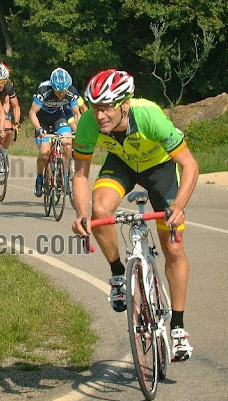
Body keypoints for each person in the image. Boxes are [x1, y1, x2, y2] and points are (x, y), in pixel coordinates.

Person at [71, 69, 199, 362]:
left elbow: (190, 166)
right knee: (99, 209)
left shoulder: (149, 116)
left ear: (124, 104)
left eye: (106, 107)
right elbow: (80, 174)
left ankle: (178, 328)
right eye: (95, 107)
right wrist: (80, 214)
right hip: (123, 164)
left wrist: (177, 207)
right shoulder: (89, 123)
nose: (100, 115)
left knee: (174, 248)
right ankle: (118, 274)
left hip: (160, 169)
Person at [29, 67, 86, 197]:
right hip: (42, 120)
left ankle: (65, 176)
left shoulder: (71, 91)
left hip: (58, 118)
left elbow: (77, 113)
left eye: (63, 92)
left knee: (67, 144)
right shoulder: (44, 90)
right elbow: (32, 113)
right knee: (44, 154)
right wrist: (39, 129)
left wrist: (80, 131)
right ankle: (39, 179)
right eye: (58, 91)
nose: (61, 94)